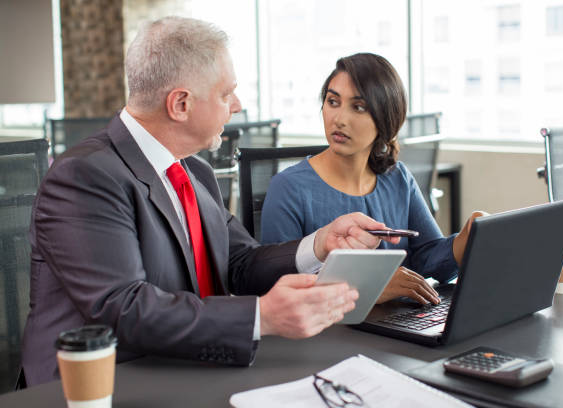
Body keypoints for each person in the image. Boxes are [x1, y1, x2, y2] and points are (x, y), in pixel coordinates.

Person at [21, 18, 400, 386]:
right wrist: (262, 317)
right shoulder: (85, 176)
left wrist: (320, 244)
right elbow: (125, 309)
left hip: (189, 364)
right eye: (225, 93)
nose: (236, 105)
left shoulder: (194, 172)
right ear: (181, 104)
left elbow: (239, 262)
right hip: (103, 384)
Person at [261, 53, 482, 305]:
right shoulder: (289, 188)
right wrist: (369, 286)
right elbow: (279, 290)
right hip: (332, 335)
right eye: (333, 102)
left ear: (385, 119)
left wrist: (466, 240)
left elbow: (429, 258)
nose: (339, 119)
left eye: (358, 107)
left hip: (399, 327)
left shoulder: (397, 178)